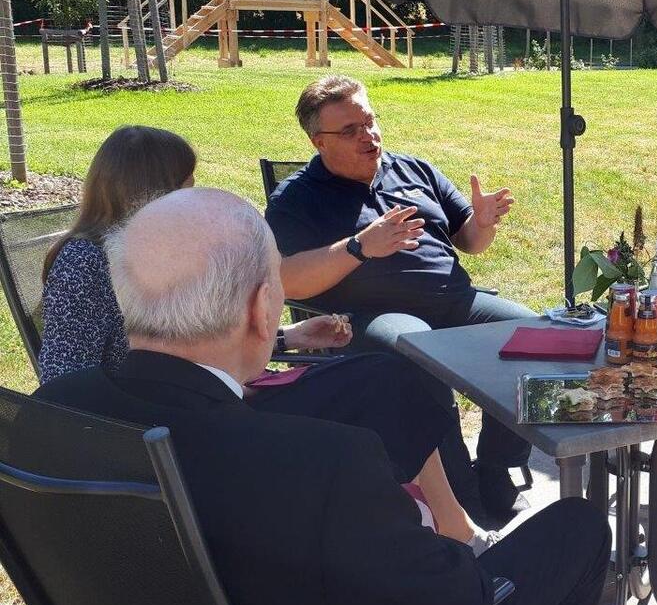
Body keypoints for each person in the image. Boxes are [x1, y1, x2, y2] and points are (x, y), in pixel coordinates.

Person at [33, 187, 611, 605]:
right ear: (262, 308)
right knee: (578, 528)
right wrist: (420, 531)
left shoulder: (52, 414)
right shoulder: (321, 469)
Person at [39, 125, 496, 552]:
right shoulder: (86, 262)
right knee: (384, 391)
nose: (193, 195)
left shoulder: (163, 252)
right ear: (150, 193)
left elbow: (196, 342)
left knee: (387, 378)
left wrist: (287, 337)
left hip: (217, 393)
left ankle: (444, 519)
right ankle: (428, 527)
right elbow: (64, 382)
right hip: (185, 423)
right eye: (186, 185)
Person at [264, 75, 535, 524]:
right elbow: (287, 279)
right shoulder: (297, 198)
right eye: (349, 130)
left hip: (455, 301)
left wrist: (483, 223)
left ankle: (495, 466)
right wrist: (359, 247)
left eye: (369, 121)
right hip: (370, 316)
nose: (368, 136)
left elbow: (468, 239)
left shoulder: (414, 170)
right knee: (420, 353)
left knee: (534, 336)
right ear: (318, 142)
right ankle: (459, 493)